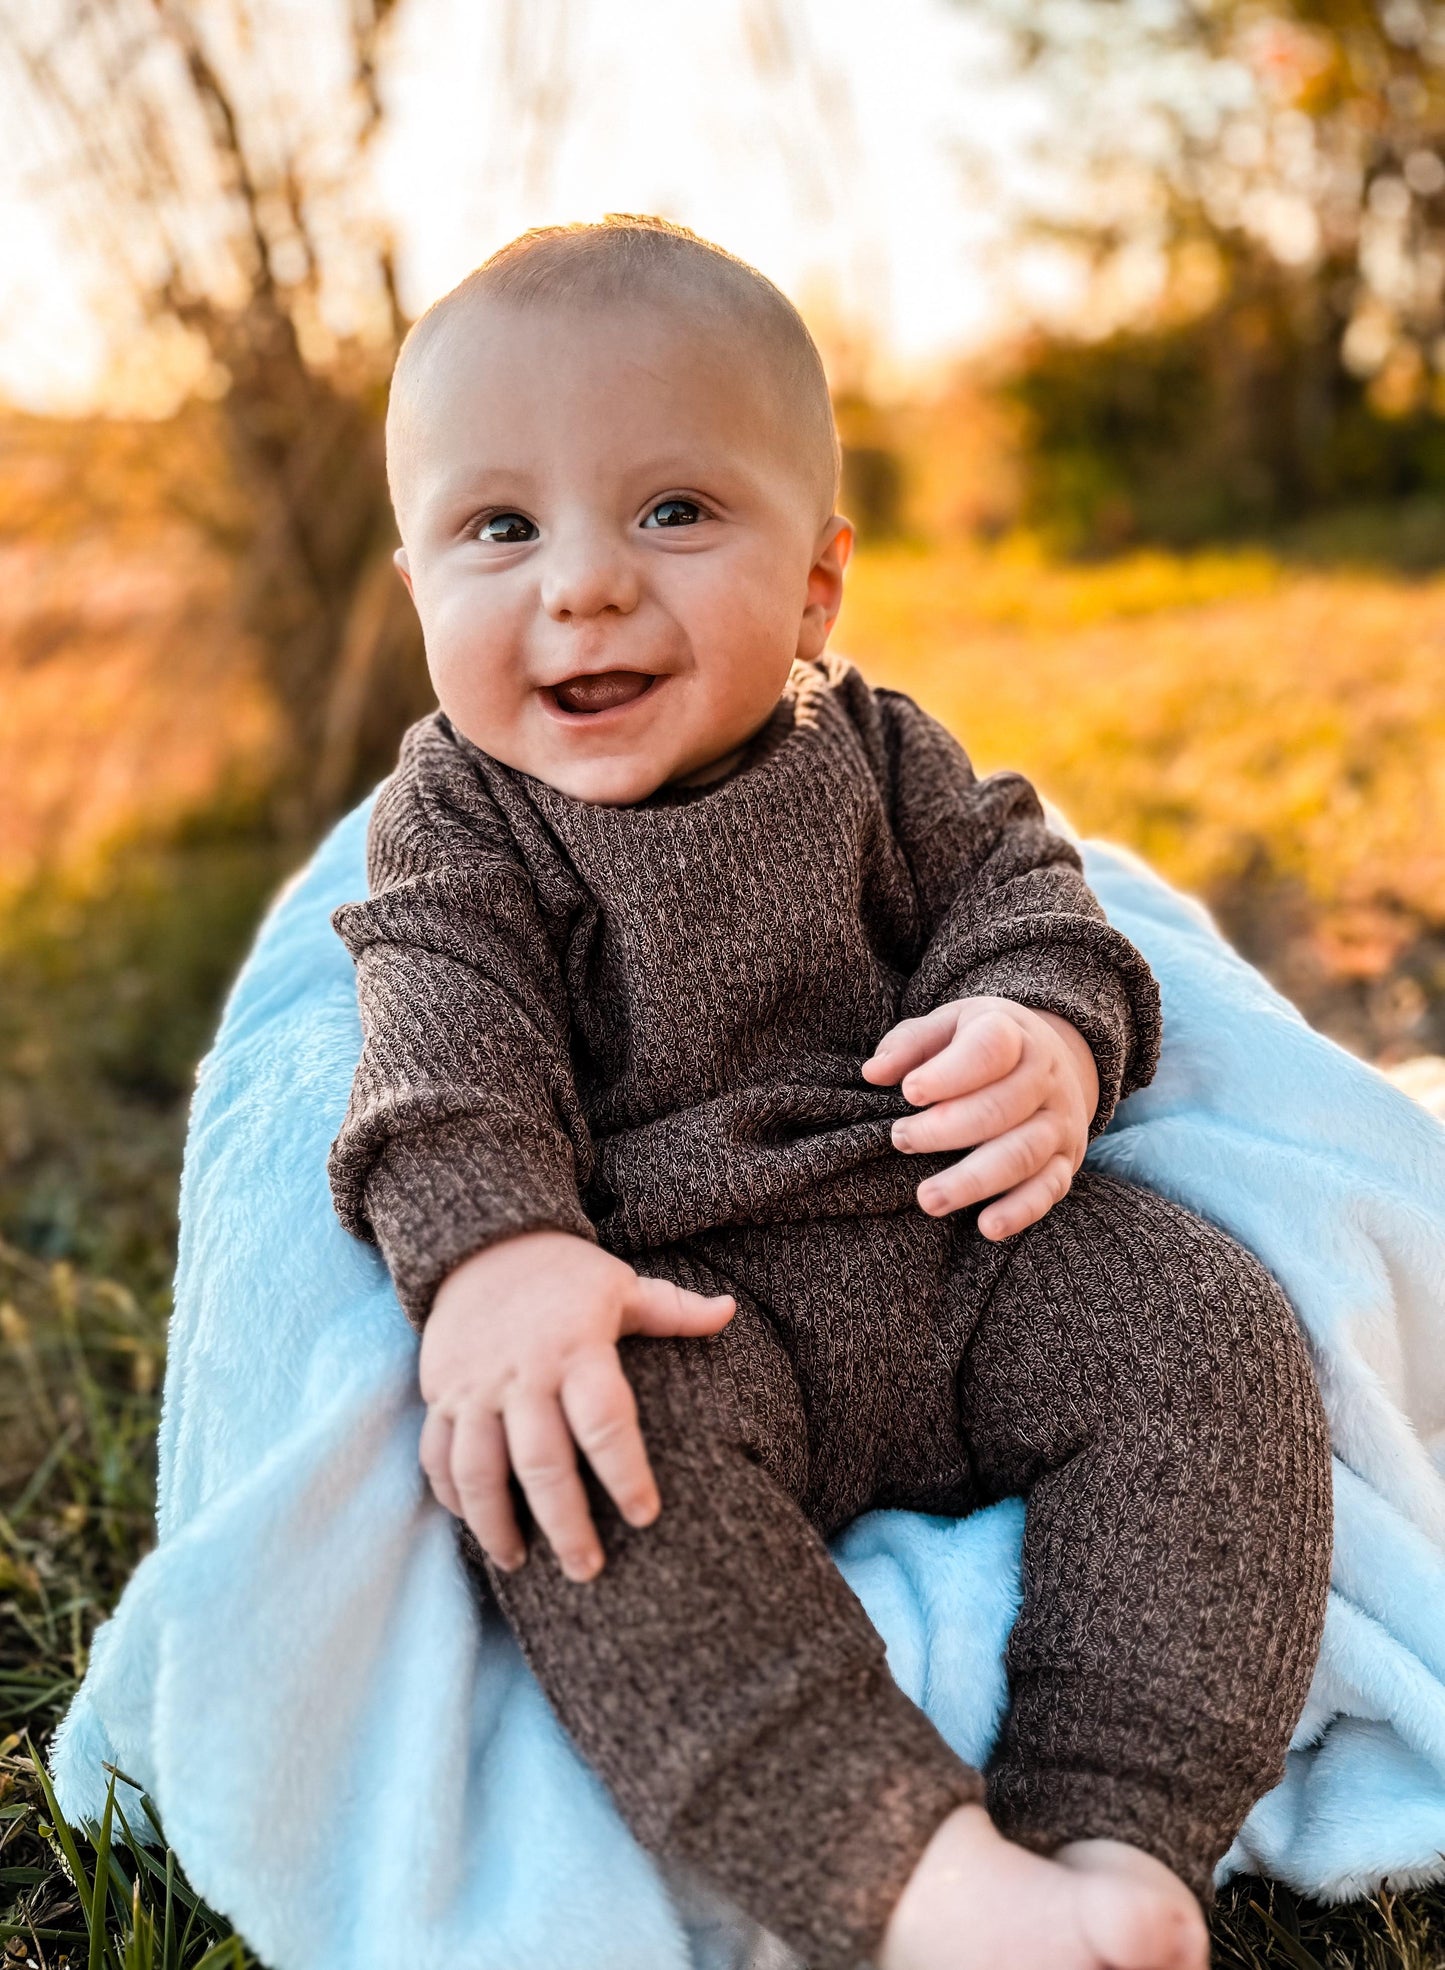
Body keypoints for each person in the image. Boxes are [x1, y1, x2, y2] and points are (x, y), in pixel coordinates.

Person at [326, 216, 1332, 1970]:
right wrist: (496, 1256)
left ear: (814, 581)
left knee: (1205, 1327)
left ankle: (1118, 1817)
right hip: (695, 1305)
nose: (579, 582)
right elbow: (440, 1036)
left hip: (961, 1242)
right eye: (499, 526)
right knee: (580, 1471)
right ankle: (912, 1872)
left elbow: (1027, 891)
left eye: (671, 511)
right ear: (415, 581)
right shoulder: (462, 817)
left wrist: (1043, 1029)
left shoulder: (873, 748)